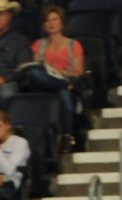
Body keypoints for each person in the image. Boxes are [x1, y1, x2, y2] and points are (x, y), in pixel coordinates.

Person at [22, 5, 85, 140]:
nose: (51, 23)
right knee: (34, 73)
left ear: (62, 23)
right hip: (44, 84)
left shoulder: (73, 45)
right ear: (44, 25)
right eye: (47, 20)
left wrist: (59, 72)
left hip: (63, 79)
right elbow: (36, 67)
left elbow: (78, 72)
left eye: (54, 20)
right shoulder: (39, 44)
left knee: (65, 96)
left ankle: (68, 136)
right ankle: (62, 85)